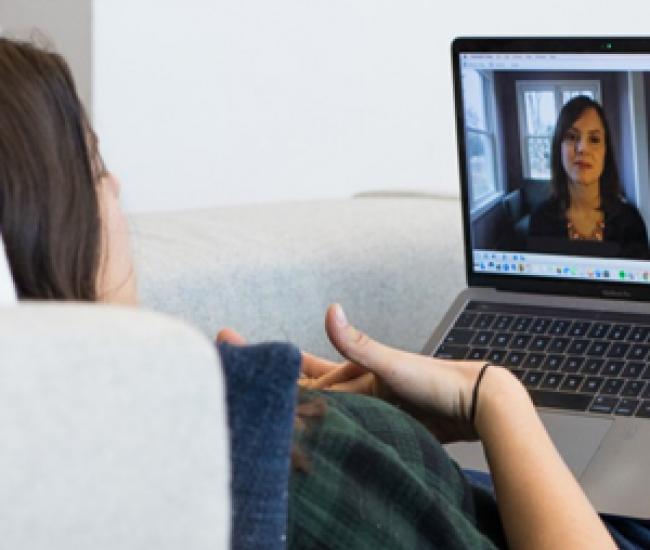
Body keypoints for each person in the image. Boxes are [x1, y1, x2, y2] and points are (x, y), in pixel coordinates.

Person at [0, 37, 646, 549]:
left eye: (594, 137)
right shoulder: (254, 455)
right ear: (47, 229)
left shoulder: (137, 427)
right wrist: (491, 393)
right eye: (93, 165)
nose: (115, 187)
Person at [528, 95, 649, 259]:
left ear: (606, 152)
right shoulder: (540, 220)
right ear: (559, 149)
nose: (583, 148)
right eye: (571, 136)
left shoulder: (630, 221)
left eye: (594, 139)